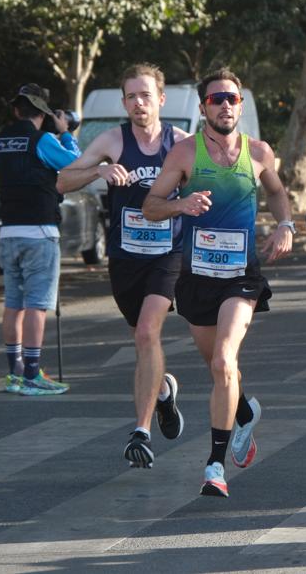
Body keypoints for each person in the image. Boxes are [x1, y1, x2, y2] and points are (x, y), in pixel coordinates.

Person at [143, 67, 294, 497]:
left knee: (225, 361)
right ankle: (245, 411)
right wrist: (181, 204)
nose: (225, 105)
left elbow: (278, 192)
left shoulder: (260, 151)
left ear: (241, 104)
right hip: (197, 277)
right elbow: (150, 206)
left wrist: (285, 225)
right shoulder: (185, 154)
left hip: (240, 277)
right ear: (204, 106)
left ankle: (214, 464)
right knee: (218, 368)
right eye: (216, 99)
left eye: (232, 98)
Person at [58, 63, 189, 468]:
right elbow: (62, 181)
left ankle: (141, 431)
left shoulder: (181, 143)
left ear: (161, 99)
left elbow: (213, 183)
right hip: (126, 258)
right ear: (124, 102)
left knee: (149, 330)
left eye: (145, 95)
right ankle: (163, 391)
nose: (138, 103)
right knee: (142, 339)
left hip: (168, 254)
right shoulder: (113, 140)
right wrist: (99, 170)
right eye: (131, 96)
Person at [0, 84, 81, 396]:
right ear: (43, 114)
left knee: (13, 303)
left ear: (16, 109)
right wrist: (66, 132)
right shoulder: (42, 139)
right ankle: (32, 374)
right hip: (40, 230)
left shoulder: (0, 140)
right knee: (36, 305)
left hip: (8, 230)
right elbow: (75, 163)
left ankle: (14, 371)